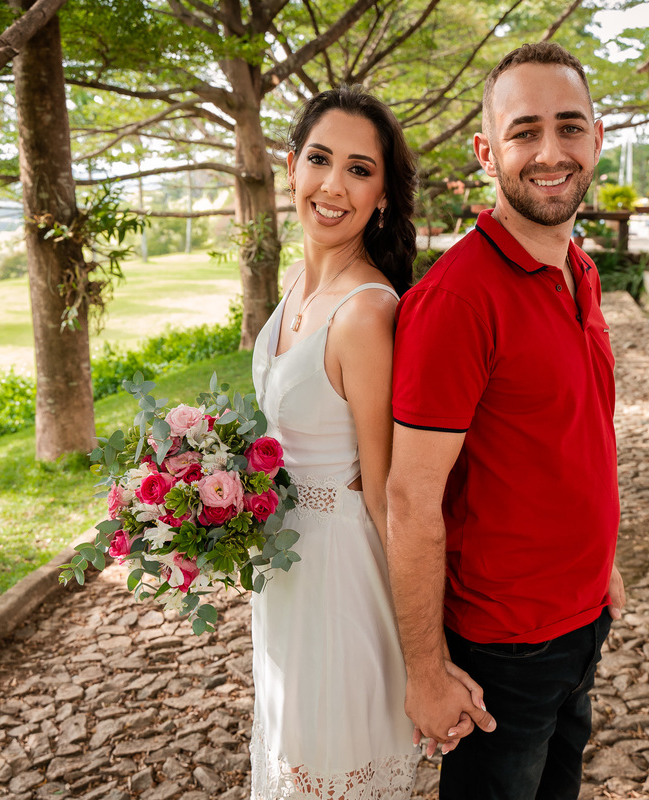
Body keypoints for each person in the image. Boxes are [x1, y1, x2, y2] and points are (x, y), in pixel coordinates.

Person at [387, 42, 627, 800]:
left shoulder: (576, 265)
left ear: (596, 138)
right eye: (525, 131)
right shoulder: (458, 301)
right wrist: (425, 673)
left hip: (583, 620)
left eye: (569, 127)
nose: (550, 152)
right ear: (488, 153)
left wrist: (602, 566)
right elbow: (410, 500)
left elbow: (569, 440)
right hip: (506, 648)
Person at [249, 86, 429, 799]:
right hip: (283, 573)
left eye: (359, 169)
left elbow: (391, 496)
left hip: (341, 580)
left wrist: (427, 657)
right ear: (291, 166)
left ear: (383, 195)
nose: (333, 185)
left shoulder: (366, 313)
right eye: (320, 160)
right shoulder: (296, 286)